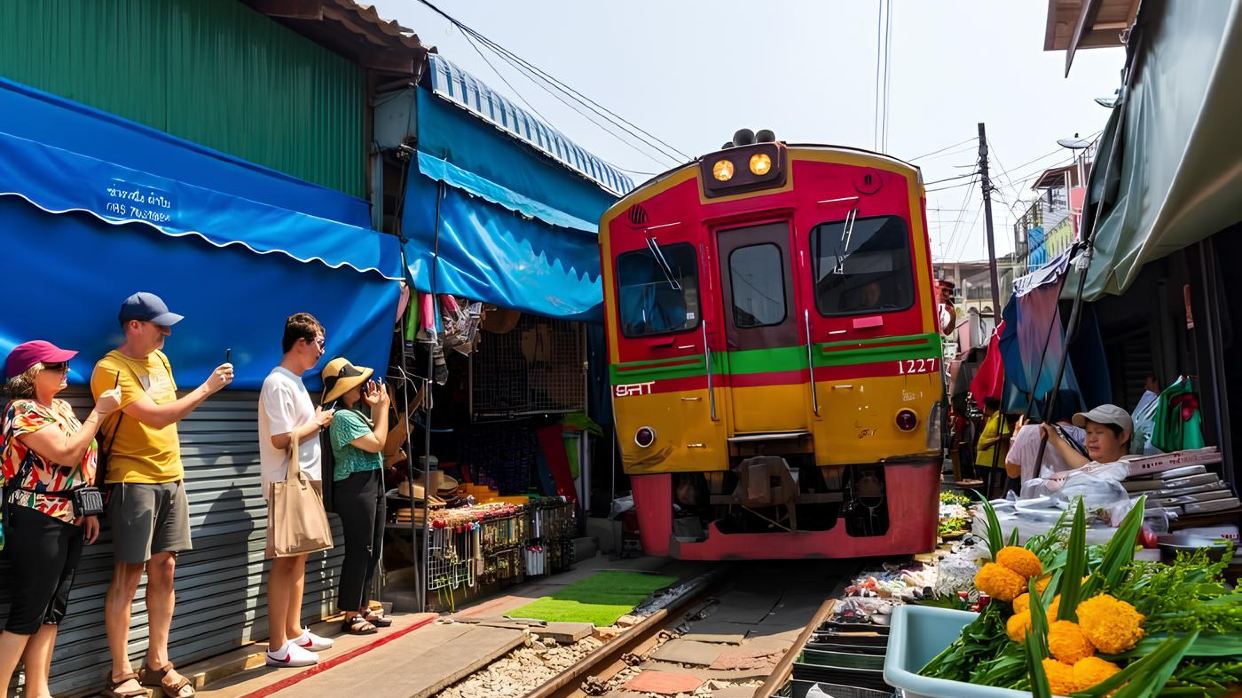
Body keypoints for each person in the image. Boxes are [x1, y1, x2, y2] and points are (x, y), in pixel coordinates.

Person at [90, 292, 233, 698]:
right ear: (134, 326)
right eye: (159, 325)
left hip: (173, 476)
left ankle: (157, 663)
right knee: (128, 574)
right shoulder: (110, 368)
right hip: (132, 479)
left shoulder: (161, 360)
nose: (167, 333)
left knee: (166, 568)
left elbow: (168, 413)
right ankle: (120, 673)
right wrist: (208, 387)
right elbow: (157, 416)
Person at [0, 341, 121, 698]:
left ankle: (38, 690)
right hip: (35, 517)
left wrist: (89, 508)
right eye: (57, 367)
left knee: (53, 609)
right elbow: (67, 454)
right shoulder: (22, 411)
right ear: (35, 373)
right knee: (29, 608)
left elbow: (82, 464)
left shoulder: (63, 408)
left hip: (70, 517)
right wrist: (99, 412)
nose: (66, 372)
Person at [257, 313, 335, 668]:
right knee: (286, 560)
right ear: (300, 343)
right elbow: (279, 439)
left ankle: (292, 630)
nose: (321, 350)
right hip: (288, 482)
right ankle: (277, 645)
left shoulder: (295, 381)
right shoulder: (278, 383)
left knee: (299, 556)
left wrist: (313, 422)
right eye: (319, 342)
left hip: (303, 480)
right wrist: (316, 423)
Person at [322, 358, 392, 635]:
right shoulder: (341, 417)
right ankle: (351, 613)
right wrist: (383, 407)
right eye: (358, 383)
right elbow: (377, 442)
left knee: (372, 549)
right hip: (354, 486)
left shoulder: (356, 414)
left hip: (371, 482)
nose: (364, 386)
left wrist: (376, 409)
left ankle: (362, 607)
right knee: (359, 549)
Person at [1006, 392, 1088, 487]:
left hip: (1031, 498)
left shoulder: (1027, 431)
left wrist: (1015, 436)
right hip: (1071, 498)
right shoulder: (1085, 435)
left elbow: (1012, 472)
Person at [1043, 404, 1133, 469]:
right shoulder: (1099, 468)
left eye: (1099, 432)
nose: (1091, 439)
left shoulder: (1132, 466)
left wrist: (1057, 441)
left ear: (1122, 437)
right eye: (1089, 432)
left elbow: (1089, 471)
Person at [975, 398, 1012, 495]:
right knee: (982, 484)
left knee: (988, 486)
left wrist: (990, 442)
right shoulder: (990, 418)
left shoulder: (999, 417)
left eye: (984, 407)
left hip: (992, 461)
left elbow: (1005, 434)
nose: (983, 409)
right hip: (984, 460)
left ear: (988, 407)